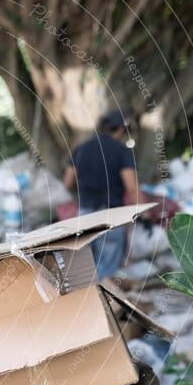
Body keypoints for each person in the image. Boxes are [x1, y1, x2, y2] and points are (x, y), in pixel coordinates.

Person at [63, 110, 141, 279]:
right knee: (107, 272)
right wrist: (143, 213)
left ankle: (87, 300)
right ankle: (105, 302)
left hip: (84, 214)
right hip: (110, 215)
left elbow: (68, 182)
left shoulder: (81, 149)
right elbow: (131, 186)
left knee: (88, 265)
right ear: (120, 129)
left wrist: (84, 193)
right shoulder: (122, 151)